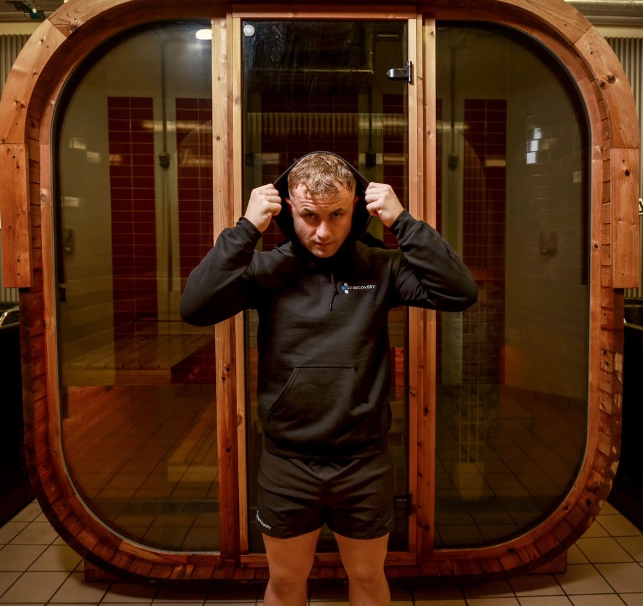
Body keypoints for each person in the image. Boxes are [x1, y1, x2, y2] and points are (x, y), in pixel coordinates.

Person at [180, 151, 477, 606]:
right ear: (288, 210)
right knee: (285, 580)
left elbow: (459, 291)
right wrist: (244, 231)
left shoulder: (381, 268)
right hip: (288, 461)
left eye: (336, 215)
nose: (323, 232)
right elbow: (194, 307)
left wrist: (404, 223)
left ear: (356, 206)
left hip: (363, 460)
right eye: (309, 216)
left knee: (367, 576)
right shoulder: (267, 269)